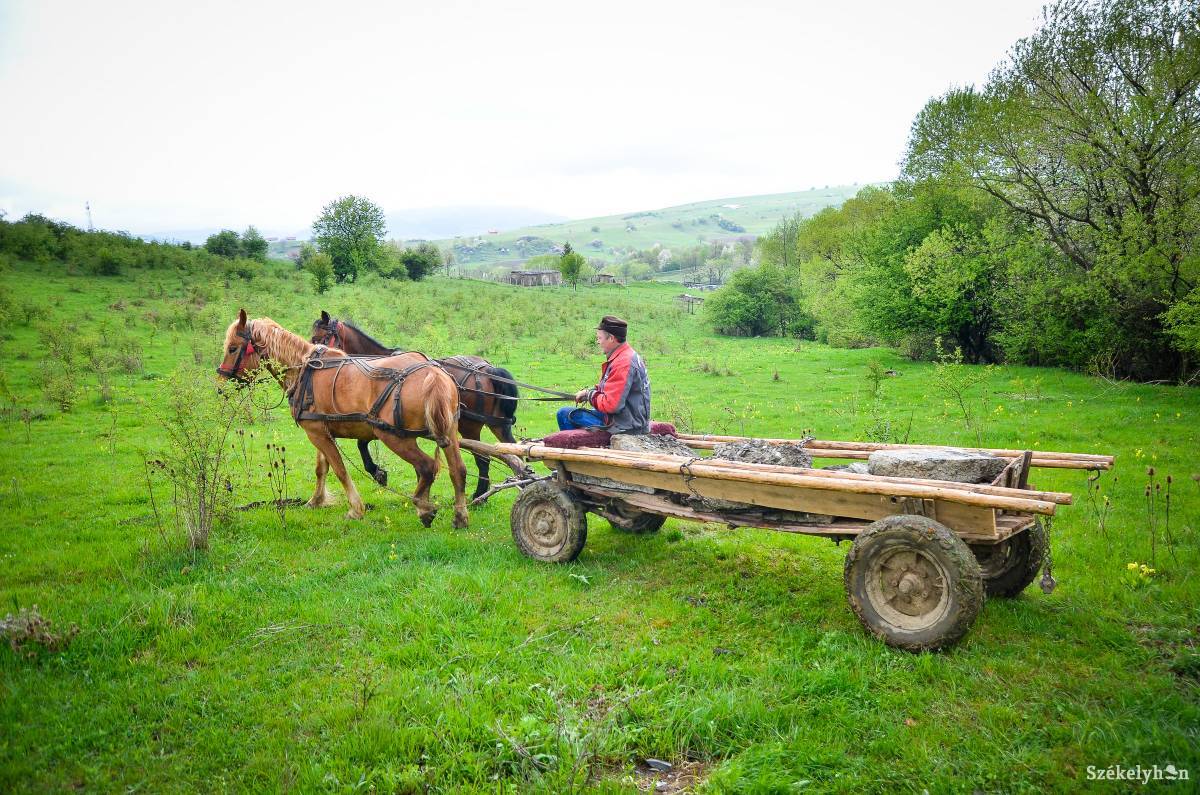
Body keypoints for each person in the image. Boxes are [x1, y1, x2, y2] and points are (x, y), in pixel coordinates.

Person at [556, 315, 651, 434]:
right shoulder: (626, 355)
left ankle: (578, 447)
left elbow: (611, 405)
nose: (598, 342)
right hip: (626, 419)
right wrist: (587, 393)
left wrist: (589, 395)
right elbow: (610, 389)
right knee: (574, 413)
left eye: (600, 338)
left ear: (611, 338)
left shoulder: (623, 363)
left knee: (564, 414)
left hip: (625, 427)